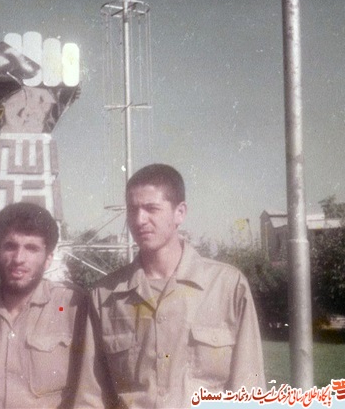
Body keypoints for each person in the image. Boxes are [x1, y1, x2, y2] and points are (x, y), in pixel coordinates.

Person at [76, 164, 265, 408]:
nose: (139, 220)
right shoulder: (106, 296)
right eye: (132, 210)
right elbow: (90, 397)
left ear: (180, 213)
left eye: (151, 209)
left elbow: (248, 389)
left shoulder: (227, 286)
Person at [0, 202, 87, 408]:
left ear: (48, 258)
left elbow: (89, 395)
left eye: (31, 248)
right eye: (10, 246)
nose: (19, 258)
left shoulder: (70, 306)